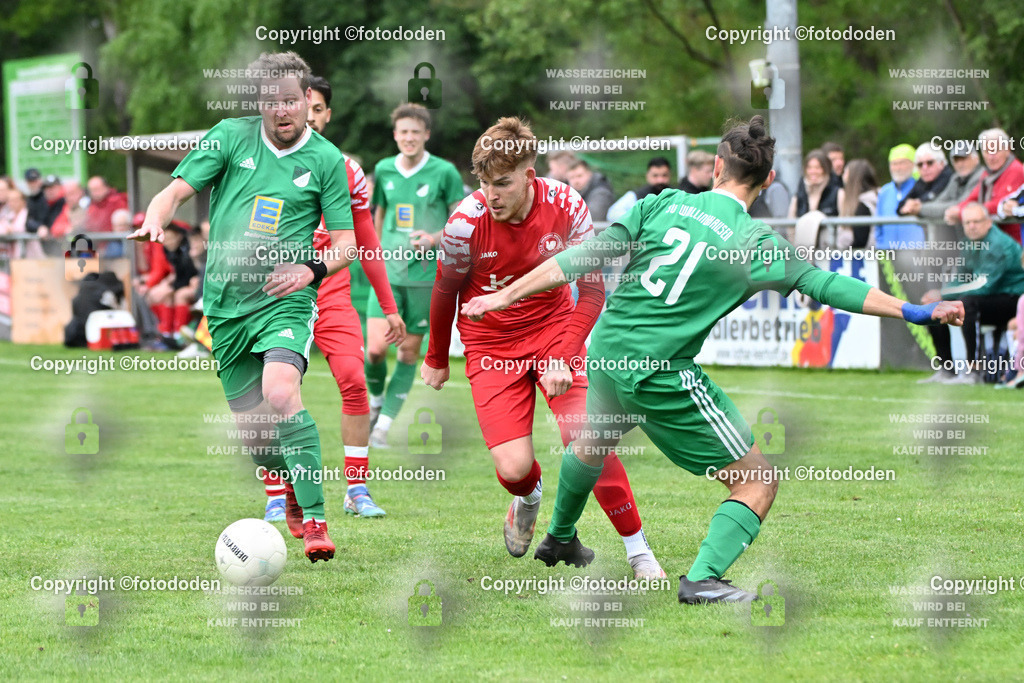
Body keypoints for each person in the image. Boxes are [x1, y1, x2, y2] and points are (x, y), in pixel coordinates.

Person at [461, 115, 965, 603]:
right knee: (757, 480)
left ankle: (559, 535)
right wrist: (914, 309)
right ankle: (703, 579)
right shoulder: (754, 241)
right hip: (658, 370)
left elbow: (584, 257)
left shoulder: (660, 204)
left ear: (717, 168)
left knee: (592, 442)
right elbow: (829, 285)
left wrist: (505, 296)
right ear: (768, 180)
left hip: (608, 352)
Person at [128, 51, 357, 563]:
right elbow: (175, 191)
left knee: (281, 391)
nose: (283, 111)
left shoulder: (326, 160)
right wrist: (155, 217)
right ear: (260, 102)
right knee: (257, 440)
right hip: (228, 307)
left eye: (293, 101)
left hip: (286, 300)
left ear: (307, 101)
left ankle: (317, 521)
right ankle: (295, 481)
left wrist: (310, 271)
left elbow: (346, 245)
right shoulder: (230, 137)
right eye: (273, 101)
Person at [420, 116, 665, 579]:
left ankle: (639, 552)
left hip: (554, 330)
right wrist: (436, 357)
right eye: (485, 183)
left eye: (503, 183)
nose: (491, 194)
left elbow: (592, 291)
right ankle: (527, 499)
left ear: (530, 176)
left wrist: (564, 352)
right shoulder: (463, 224)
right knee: (515, 468)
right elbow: (444, 291)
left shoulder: (567, 204)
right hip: (490, 344)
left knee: (588, 437)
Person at [260, 74, 405, 521]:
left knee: (354, 380)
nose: (312, 115)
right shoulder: (266, 161)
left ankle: (356, 489)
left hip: (333, 293)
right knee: (274, 393)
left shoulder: (346, 169)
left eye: (319, 108)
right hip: (280, 296)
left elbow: (367, 242)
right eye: (305, 107)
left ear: (325, 113)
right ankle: (277, 495)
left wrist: (388, 306)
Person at [366, 103, 463, 449]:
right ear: (395, 135)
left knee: (408, 354)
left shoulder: (445, 172)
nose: (409, 138)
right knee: (375, 351)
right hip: (388, 275)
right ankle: (376, 402)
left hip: (424, 278)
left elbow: (460, 219)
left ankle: (383, 426)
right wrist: (376, 254)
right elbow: (377, 216)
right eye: (403, 132)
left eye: (415, 132)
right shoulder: (383, 170)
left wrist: (434, 238)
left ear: (426, 135)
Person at [918, 203, 1024, 384]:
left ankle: (973, 370)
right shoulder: (969, 242)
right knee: (937, 306)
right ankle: (946, 369)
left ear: (989, 222)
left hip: (1012, 299)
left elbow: (984, 286)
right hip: (988, 296)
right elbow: (961, 278)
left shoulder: (997, 244)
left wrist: (943, 293)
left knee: (968, 302)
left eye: (976, 221)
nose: (972, 226)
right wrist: (941, 297)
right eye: (967, 223)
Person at [945, 128, 1023, 244]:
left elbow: (1000, 204)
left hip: (1012, 243)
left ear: (1008, 149)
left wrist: (963, 213)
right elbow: (973, 197)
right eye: (987, 151)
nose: (991, 156)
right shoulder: (988, 173)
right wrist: (958, 208)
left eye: (996, 150)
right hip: (993, 241)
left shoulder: (1016, 170)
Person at [917, 140, 984, 223]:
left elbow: (960, 205)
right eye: (956, 160)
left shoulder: (982, 176)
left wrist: (920, 209)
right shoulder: (956, 178)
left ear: (976, 159)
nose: (960, 164)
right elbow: (940, 200)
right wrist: (921, 208)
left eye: (964, 159)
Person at [875, 144, 921, 249]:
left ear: (913, 164)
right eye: (894, 164)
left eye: (902, 163)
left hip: (915, 253)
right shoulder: (884, 191)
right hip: (888, 252)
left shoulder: (920, 188)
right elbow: (878, 225)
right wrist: (881, 245)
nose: (898, 168)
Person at [606, 156, 672, 223]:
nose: (660, 180)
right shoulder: (636, 195)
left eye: (664, 175)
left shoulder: (677, 195)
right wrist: (637, 220)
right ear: (647, 176)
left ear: (670, 175)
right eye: (655, 176)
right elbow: (612, 214)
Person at [898, 144, 953, 217]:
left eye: (930, 163)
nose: (924, 168)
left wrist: (915, 204)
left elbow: (934, 195)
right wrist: (907, 207)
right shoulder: (922, 181)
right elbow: (900, 206)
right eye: (920, 164)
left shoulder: (950, 177)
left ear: (942, 163)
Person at [835, 159, 878, 248]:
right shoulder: (871, 200)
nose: (843, 176)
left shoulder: (863, 206)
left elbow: (860, 240)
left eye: (846, 173)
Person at [787, 148, 839, 218]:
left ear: (826, 169)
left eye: (817, 167)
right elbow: (791, 224)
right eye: (809, 167)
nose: (813, 171)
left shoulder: (837, 194)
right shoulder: (798, 197)